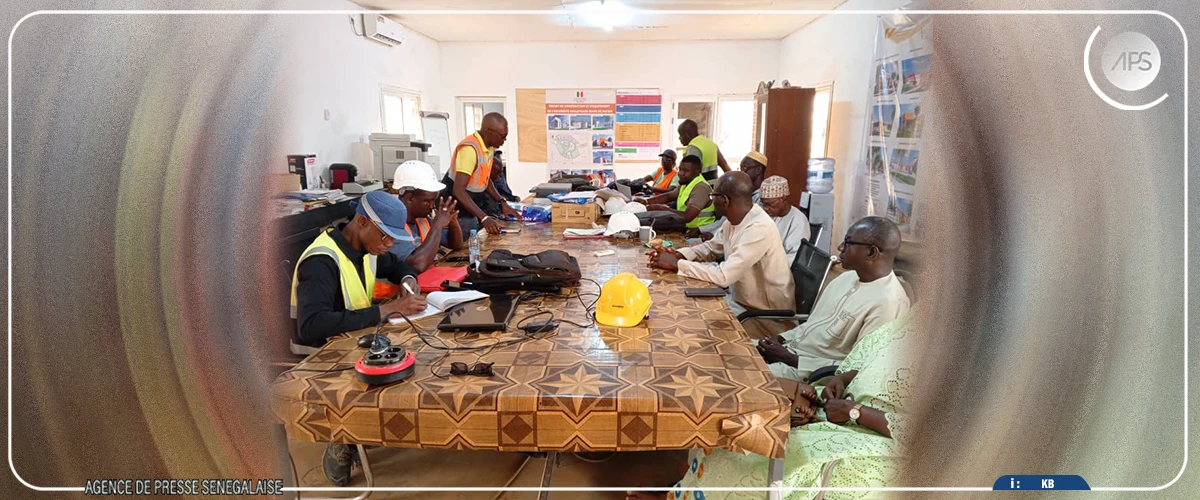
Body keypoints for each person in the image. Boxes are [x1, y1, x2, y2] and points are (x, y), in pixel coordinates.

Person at [627, 309, 918, 500]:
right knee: (738, 420)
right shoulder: (920, 316)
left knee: (761, 455)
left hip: (879, 438)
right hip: (842, 407)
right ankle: (683, 493)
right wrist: (841, 378)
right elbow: (866, 359)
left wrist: (858, 413)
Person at [288, 190, 428, 487]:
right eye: (386, 237)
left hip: (354, 337)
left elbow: (398, 265)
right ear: (363, 222)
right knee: (393, 366)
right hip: (321, 353)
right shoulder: (321, 261)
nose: (389, 244)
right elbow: (311, 326)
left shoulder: (367, 248)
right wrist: (388, 308)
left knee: (418, 355)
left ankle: (366, 425)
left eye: (393, 238)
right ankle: (342, 434)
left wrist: (407, 280)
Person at [755, 216, 911, 381]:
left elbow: (859, 369)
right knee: (730, 350)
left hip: (810, 375)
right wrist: (779, 339)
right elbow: (811, 327)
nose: (840, 247)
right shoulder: (846, 278)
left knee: (737, 375)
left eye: (848, 243)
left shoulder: (888, 303)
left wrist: (790, 359)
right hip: (788, 351)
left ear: (871, 252)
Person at [648, 171, 794, 319]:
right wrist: (679, 254)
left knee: (689, 319)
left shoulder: (759, 228)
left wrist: (676, 264)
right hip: (739, 303)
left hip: (763, 316)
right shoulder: (734, 220)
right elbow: (710, 248)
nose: (711, 201)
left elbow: (724, 275)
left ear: (725, 200)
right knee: (683, 308)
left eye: (713, 196)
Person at [440, 112, 521, 234]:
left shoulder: (489, 147)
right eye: (502, 136)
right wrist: (484, 217)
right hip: (458, 210)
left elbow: (485, 179)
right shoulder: (470, 149)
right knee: (466, 247)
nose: (504, 140)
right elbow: (459, 190)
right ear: (489, 131)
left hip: (471, 206)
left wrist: (502, 202)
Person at [389, 160, 465, 273]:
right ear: (409, 198)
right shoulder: (391, 225)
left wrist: (452, 221)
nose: (432, 206)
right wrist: (438, 225)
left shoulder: (423, 219)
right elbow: (418, 265)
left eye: (434, 201)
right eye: (428, 201)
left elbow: (456, 244)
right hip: (399, 289)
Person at [696, 151, 769, 239]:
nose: (742, 172)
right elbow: (724, 222)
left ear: (758, 170)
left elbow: (745, 224)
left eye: (745, 168)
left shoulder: (764, 197)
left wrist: (714, 236)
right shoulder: (740, 191)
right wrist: (701, 230)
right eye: (741, 168)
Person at [634, 155, 716, 231]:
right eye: (680, 169)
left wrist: (663, 209)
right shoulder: (687, 183)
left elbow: (687, 217)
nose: (680, 174)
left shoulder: (700, 188)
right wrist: (646, 202)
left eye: (685, 171)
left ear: (696, 172)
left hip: (697, 233)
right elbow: (669, 196)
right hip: (684, 228)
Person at [759, 175, 810, 264]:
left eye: (769, 204)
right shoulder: (765, 216)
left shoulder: (798, 221)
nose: (765, 208)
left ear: (783, 199)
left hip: (781, 270)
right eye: (763, 204)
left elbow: (794, 258)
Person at [611, 149, 679, 196]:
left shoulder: (675, 175)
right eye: (663, 159)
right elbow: (646, 178)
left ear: (673, 162)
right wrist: (640, 183)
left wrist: (654, 189)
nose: (664, 161)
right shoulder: (659, 170)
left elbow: (671, 191)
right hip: (654, 196)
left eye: (667, 159)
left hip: (664, 200)